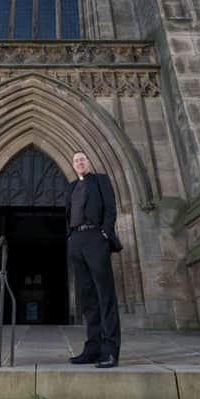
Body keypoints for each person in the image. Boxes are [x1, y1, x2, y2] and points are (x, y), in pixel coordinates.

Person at [65, 150, 121, 368]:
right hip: (76, 239)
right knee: (88, 298)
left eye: (82, 159)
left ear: (88, 162)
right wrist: (70, 237)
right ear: (73, 165)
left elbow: (110, 208)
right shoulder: (71, 187)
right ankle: (93, 349)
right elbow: (68, 214)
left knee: (105, 296)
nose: (79, 162)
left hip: (96, 237)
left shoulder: (101, 180)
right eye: (76, 160)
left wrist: (105, 234)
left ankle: (110, 351)